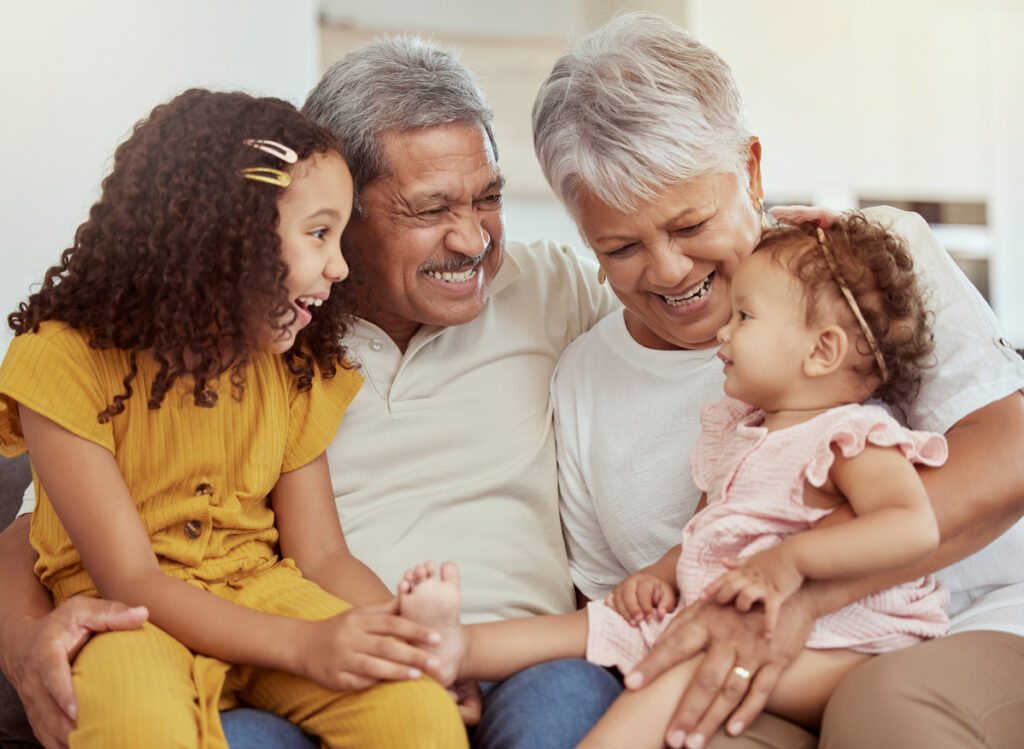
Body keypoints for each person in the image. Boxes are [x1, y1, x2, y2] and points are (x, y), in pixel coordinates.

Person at [0, 38, 622, 749]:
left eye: (489, 198)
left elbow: (702, 316)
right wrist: (21, 639)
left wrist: (772, 255)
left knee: (487, 708)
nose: (473, 237)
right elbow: (46, 530)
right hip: (233, 632)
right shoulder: (276, 335)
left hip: (469, 647)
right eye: (429, 209)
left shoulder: (551, 290)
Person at [536, 12, 1024, 749]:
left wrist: (799, 588)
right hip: (749, 674)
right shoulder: (582, 380)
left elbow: (1009, 458)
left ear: (752, 170)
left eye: (689, 223)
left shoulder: (863, 271)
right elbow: (618, 603)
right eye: (622, 245)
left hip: (960, 626)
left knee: (882, 709)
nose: (668, 269)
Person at [0, 89, 465, 748]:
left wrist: (396, 639)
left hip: (265, 593)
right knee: (137, 723)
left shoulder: (292, 365)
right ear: (226, 233)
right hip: (131, 617)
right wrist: (305, 643)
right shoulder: (60, 359)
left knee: (414, 711)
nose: (338, 265)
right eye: (318, 233)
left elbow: (324, 556)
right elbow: (130, 577)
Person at [394, 214, 954, 748]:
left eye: (746, 318)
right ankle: (455, 648)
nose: (724, 335)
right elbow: (705, 533)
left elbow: (912, 526)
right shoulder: (743, 433)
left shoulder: (851, 436)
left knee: (680, 666)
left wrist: (791, 561)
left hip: (849, 646)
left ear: (822, 350)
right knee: (603, 622)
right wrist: (659, 575)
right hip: (734, 619)